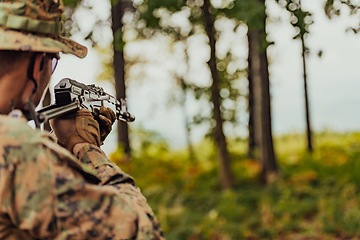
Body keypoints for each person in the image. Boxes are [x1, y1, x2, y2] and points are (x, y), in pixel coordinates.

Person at [0, 0, 165, 239]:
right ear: (39, 64)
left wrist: (60, 148)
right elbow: (143, 232)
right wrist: (85, 147)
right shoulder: (17, 148)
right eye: (53, 61)